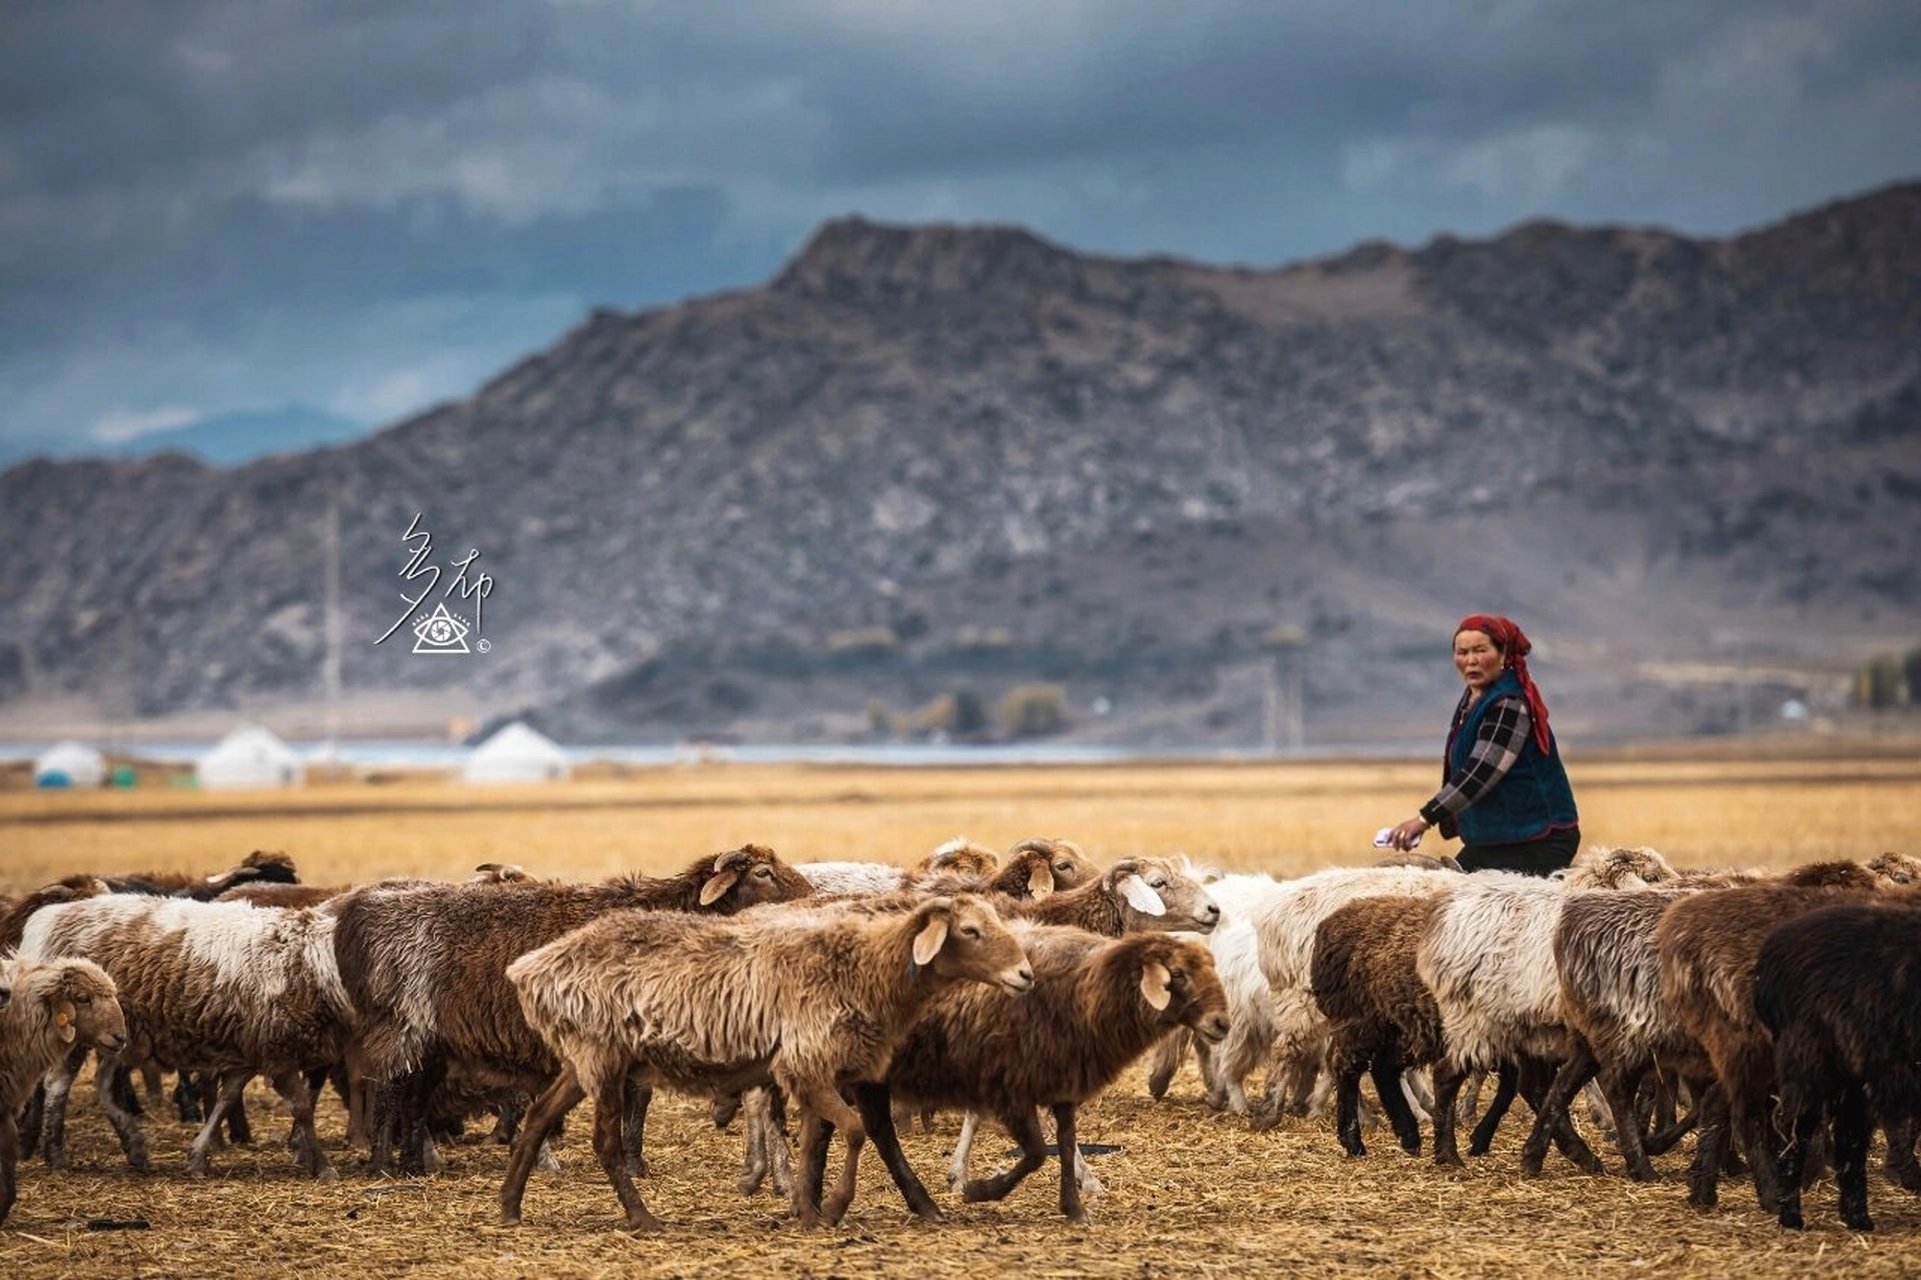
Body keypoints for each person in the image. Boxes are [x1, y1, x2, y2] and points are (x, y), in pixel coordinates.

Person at [1382, 614, 1579, 876]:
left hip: (1537, 839)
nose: (1471, 660)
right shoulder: (1474, 698)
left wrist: (1424, 819)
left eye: (1480, 650)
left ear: (1503, 654)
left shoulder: (1508, 703)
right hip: (1497, 840)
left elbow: (1479, 773)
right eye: (1462, 652)